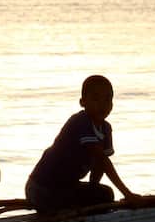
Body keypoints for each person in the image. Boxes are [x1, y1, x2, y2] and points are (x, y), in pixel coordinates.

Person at [26, 75, 142, 213]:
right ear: (83, 102)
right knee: (101, 197)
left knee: (104, 194)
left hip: (66, 187)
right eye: (96, 99)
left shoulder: (106, 128)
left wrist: (93, 189)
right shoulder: (80, 122)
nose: (102, 104)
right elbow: (102, 159)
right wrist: (127, 194)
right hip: (42, 188)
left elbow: (100, 166)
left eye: (107, 99)